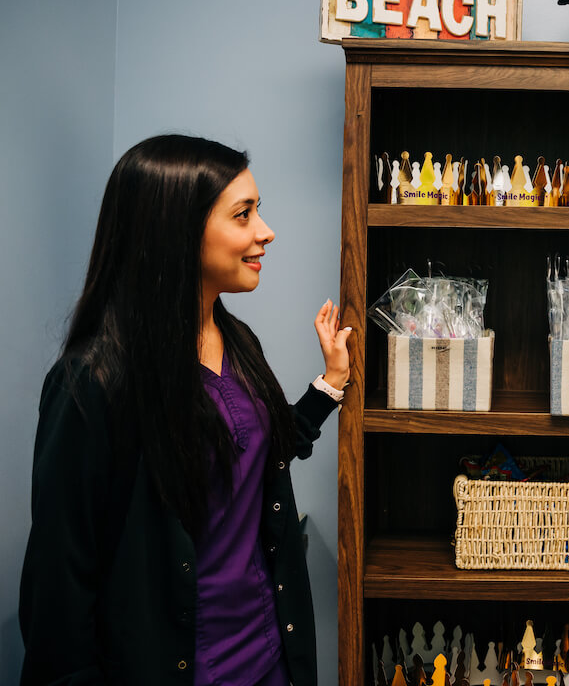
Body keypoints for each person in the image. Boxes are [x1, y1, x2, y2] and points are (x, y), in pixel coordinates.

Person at [19, 135, 352, 686]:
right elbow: (59, 588)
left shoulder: (237, 340)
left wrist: (330, 383)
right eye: (243, 215)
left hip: (270, 657)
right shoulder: (96, 380)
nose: (264, 232)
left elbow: (256, 454)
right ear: (176, 230)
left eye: (258, 212)